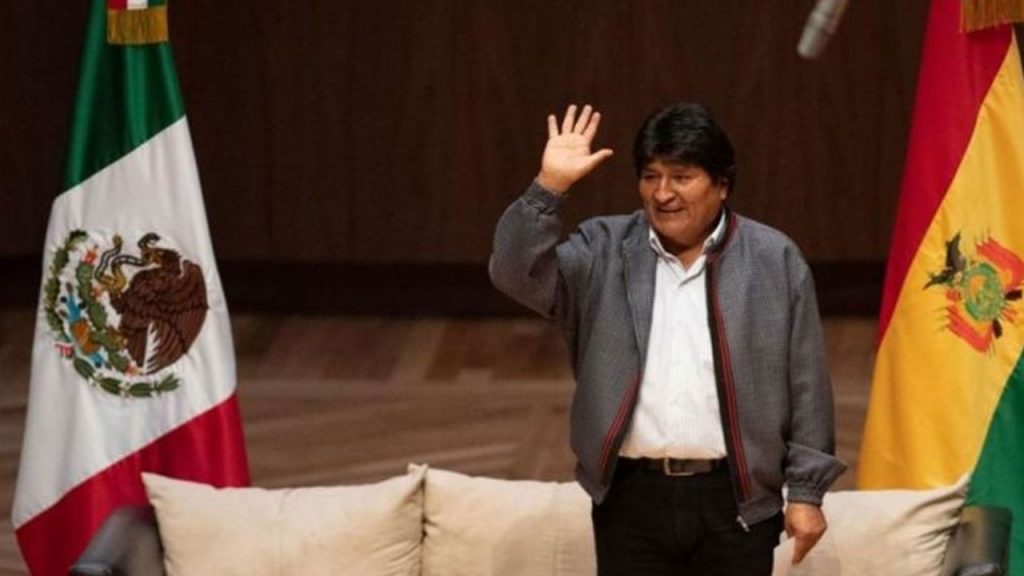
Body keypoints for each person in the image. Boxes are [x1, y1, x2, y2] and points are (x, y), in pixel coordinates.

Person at [489, 102, 846, 575]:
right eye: (650, 177)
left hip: (737, 500)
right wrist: (548, 188)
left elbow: (807, 384)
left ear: (722, 184)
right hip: (630, 499)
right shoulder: (603, 248)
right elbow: (514, 273)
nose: (663, 193)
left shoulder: (772, 258)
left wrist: (806, 492)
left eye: (681, 177)